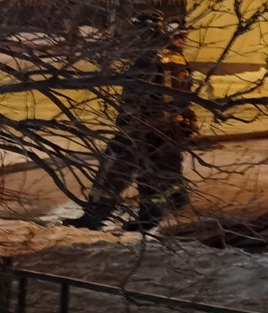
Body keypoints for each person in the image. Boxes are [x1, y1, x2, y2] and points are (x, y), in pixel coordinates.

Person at [66, 21, 199, 230]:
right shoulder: (177, 58)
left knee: (115, 168)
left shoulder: (149, 59)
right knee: (160, 169)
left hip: (144, 127)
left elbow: (136, 96)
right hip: (170, 127)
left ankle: (95, 217)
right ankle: (168, 204)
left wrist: (128, 125)